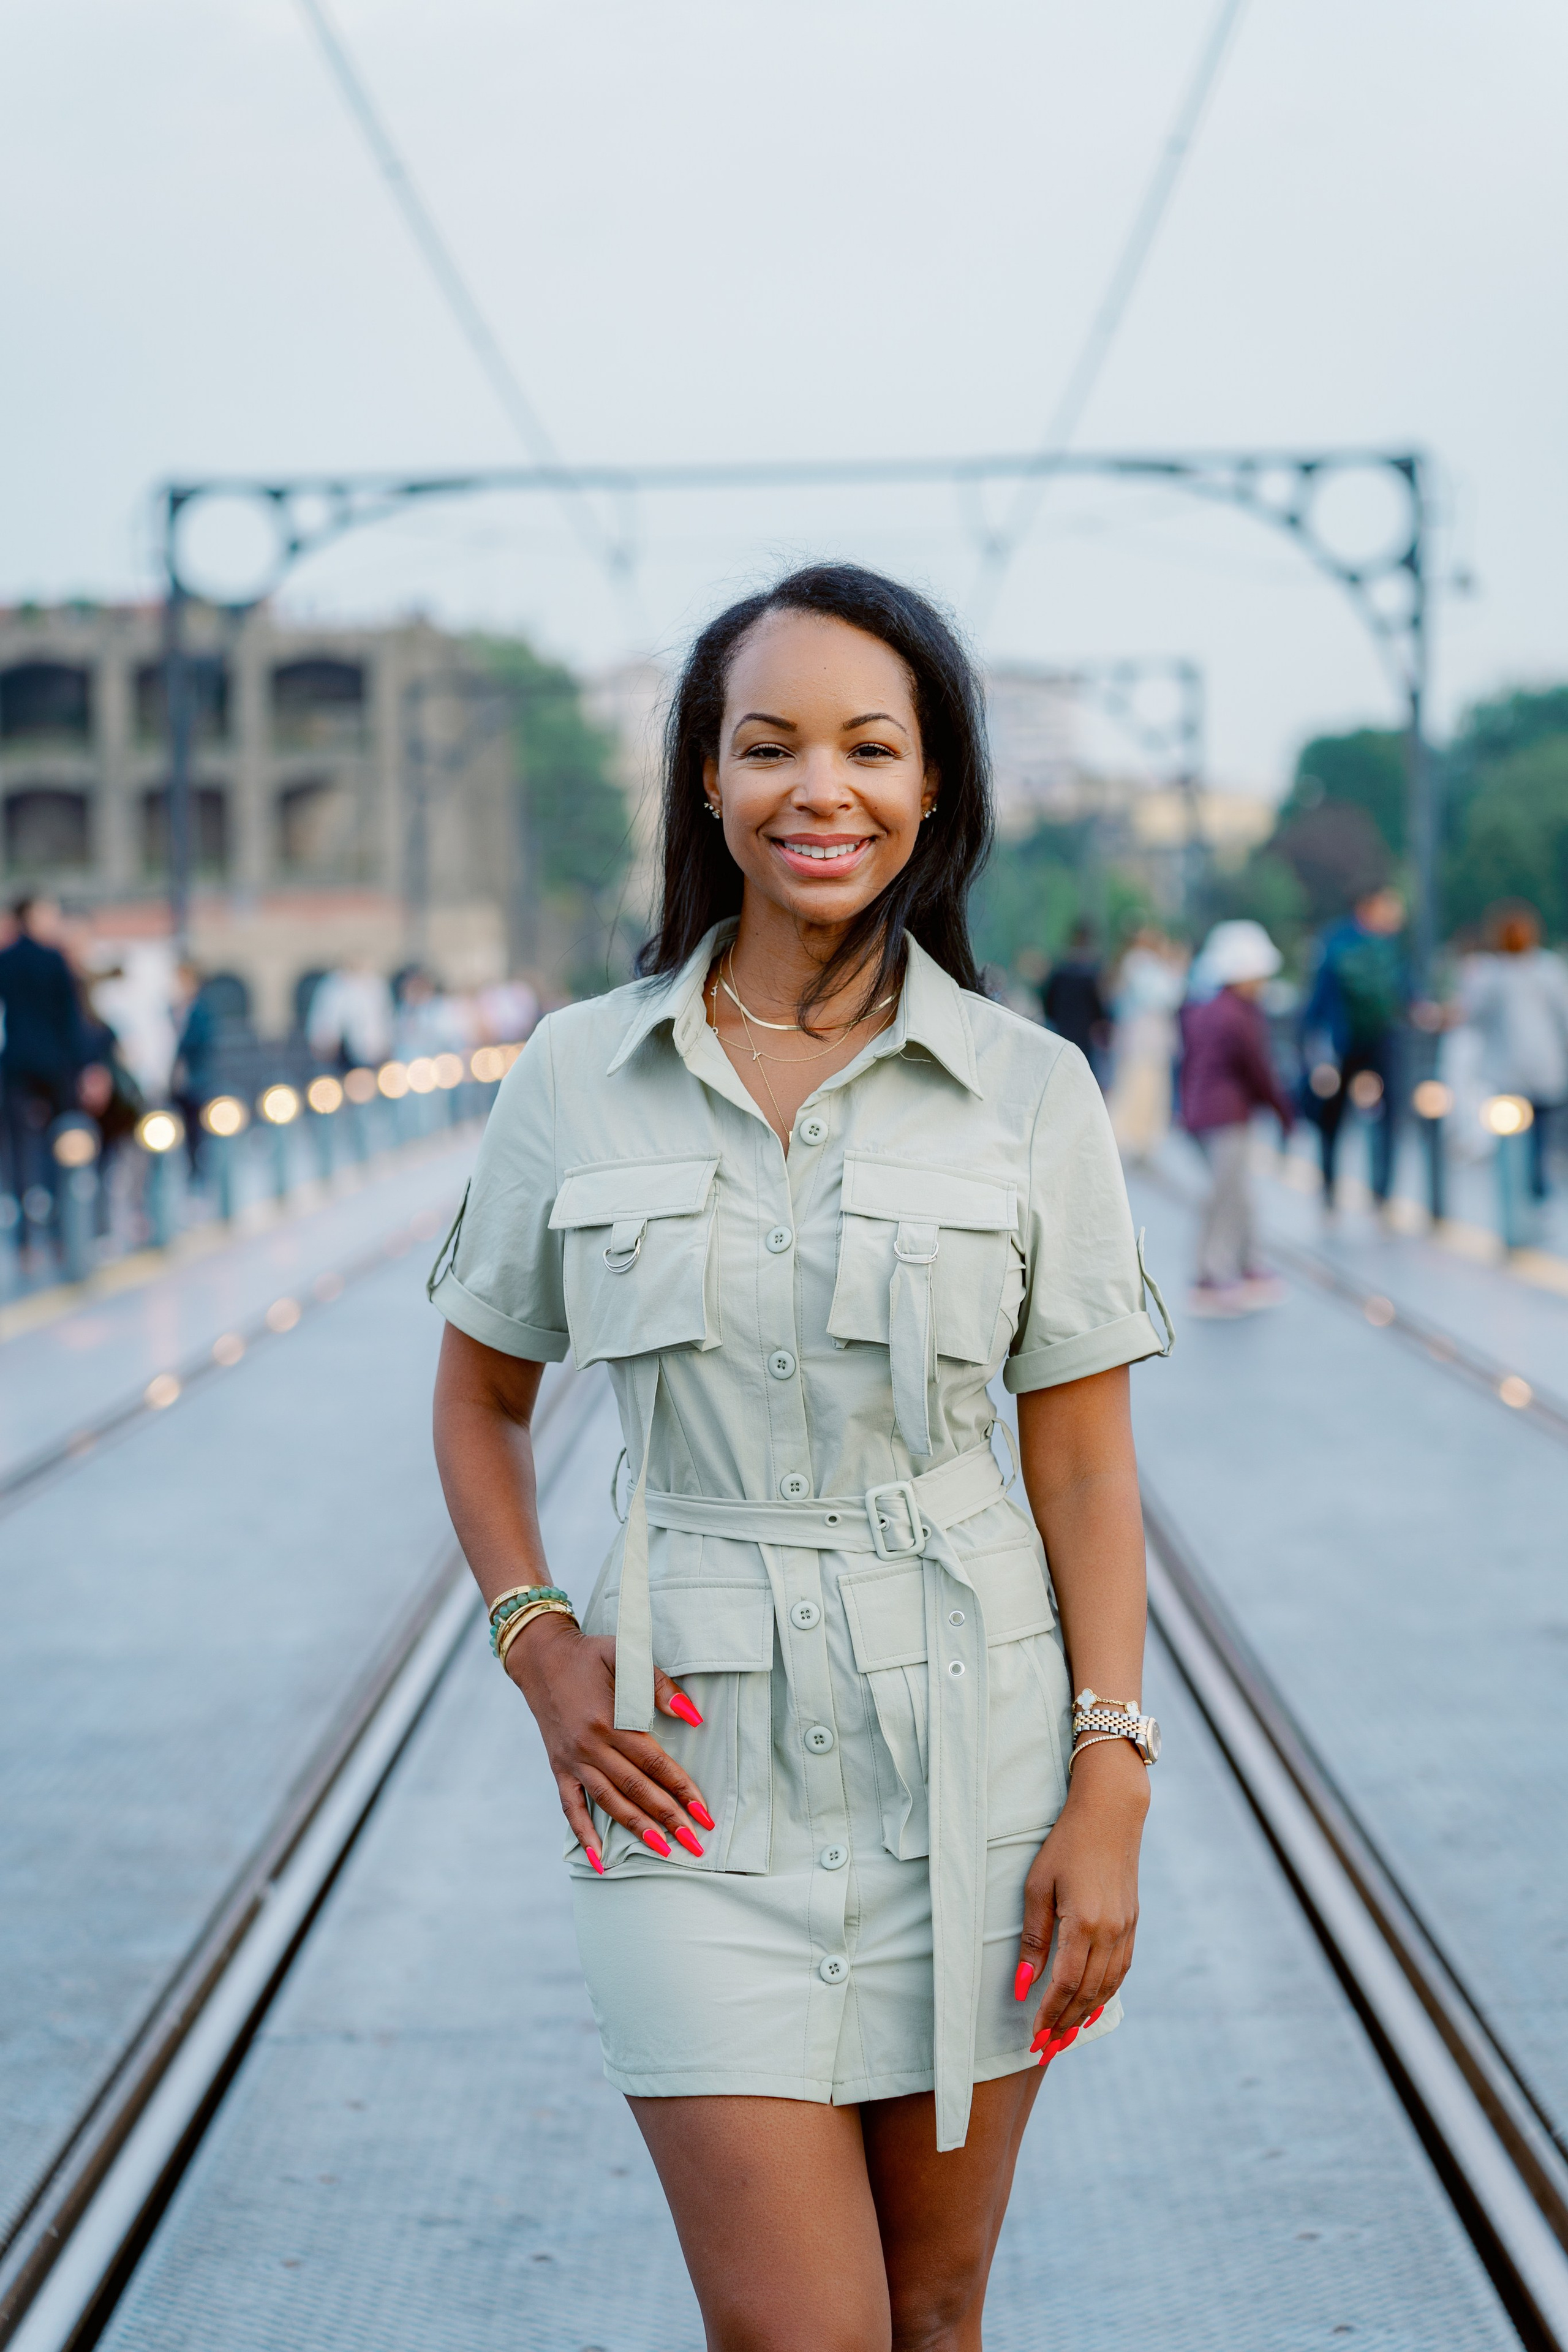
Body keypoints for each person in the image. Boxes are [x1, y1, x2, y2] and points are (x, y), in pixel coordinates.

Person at [429, 564, 1172, 2350]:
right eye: (767, 745)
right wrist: (540, 1644)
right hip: (689, 1784)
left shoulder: (1027, 1088)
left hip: (979, 1780)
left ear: (931, 789)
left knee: (931, 2312)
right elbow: (478, 1396)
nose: (814, 786)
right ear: (705, 778)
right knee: (799, 2332)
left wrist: (1110, 1780)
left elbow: (1080, 1461)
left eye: (866, 746)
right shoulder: (576, 1069)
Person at [1178, 919, 1295, 1317]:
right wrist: (1285, 1113)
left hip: (1204, 1113)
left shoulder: (1205, 1009)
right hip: (1228, 1115)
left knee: (1236, 1192)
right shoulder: (1240, 1016)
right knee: (1226, 1195)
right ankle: (1212, 1274)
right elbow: (1260, 1071)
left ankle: (1246, 1264)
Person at [0, 895, 102, 1239]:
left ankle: (26, 1236)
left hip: (15, 1065)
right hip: (57, 1066)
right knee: (66, 1143)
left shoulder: (6, 960)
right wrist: (87, 1066)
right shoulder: (54, 959)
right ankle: (63, 1229)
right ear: (31, 917)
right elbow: (70, 1020)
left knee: (18, 1149)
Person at [1301, 886, 1408, 1208]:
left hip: (1359, 1038)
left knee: (1344, 1115)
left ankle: (1350, 1185)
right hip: (1363, 1039)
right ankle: (1370, 1188)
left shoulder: (1345, 941)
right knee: (1370, 1115)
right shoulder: (1373, 945)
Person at [1460, 903, 1568, 1199]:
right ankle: (1537, 1190)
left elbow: (1473, 1017)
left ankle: (1518, 1190)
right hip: (1544, 1068)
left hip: (1507, 1073)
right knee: (1541, 1137)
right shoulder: (1549, 969)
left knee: (1510, 1136)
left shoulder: (1489, 974)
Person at [1107, 928, 1186, 1164]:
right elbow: (1164, 997)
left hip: (1148, 1039)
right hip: (1144, 1039)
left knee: (1147, 1089)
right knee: (1140, 1088)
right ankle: (1133, 1137)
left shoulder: (1143, 964)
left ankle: (1141, 1139)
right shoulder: (1140, 963)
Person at [1039, 920, 1110, 1076]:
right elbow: (1099, 1008)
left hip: (1062, 1030)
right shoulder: (1092, 972)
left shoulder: (1060, 970)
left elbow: (1048, 1003)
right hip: (1085, 1033)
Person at [305, 957, 394, 1072]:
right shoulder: (333, 986)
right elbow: (323, 1018)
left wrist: (385, 1044)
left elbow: (385, 1017)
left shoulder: (376, 984)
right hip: (338, 1053)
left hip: (371, 1053)